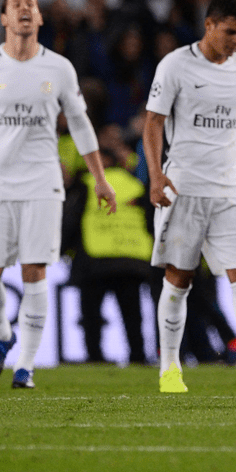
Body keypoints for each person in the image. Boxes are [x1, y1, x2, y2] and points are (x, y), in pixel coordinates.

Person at [0, 0, 117, 389]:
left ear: (40, 17)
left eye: (30, 4)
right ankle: (3, 335)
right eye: (16, 4)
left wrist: (100, 179)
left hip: (43, 184)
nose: (24, 9)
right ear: (3, 18)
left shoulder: (59, 69)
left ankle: (26, 367)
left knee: (34, 271)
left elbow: (83, 126)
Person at [142, 0, 236, 394]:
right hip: (183, 186)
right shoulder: (176, 65)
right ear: (209, 24)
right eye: (230, 31)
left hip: (229, 189)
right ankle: (169, 367)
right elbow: (152, 123)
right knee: (179, 279)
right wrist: (155, 175)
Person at [67, 145, 151, 365]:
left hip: (94, 260)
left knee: (91, 315)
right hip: (131, 260)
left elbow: (72, 219)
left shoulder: (86, 184)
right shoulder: (135, 185)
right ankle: (138, 357)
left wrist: (64, 248)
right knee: (133, 315)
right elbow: (150, 221)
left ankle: (94, 357)